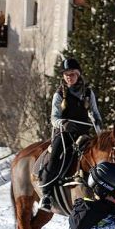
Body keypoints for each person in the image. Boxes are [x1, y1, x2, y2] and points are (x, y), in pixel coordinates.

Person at [40, 58, 103, 212]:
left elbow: (94, 113)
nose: (69, 77)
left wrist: (99, 131)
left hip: (83, 133)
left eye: (72, 74)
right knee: (56, 157)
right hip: (64, 134)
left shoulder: (88, 93)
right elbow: (54, 118)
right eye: (66, 74)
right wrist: (64, 123)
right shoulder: (59, 94)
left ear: (78, 74)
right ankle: (47, 194)